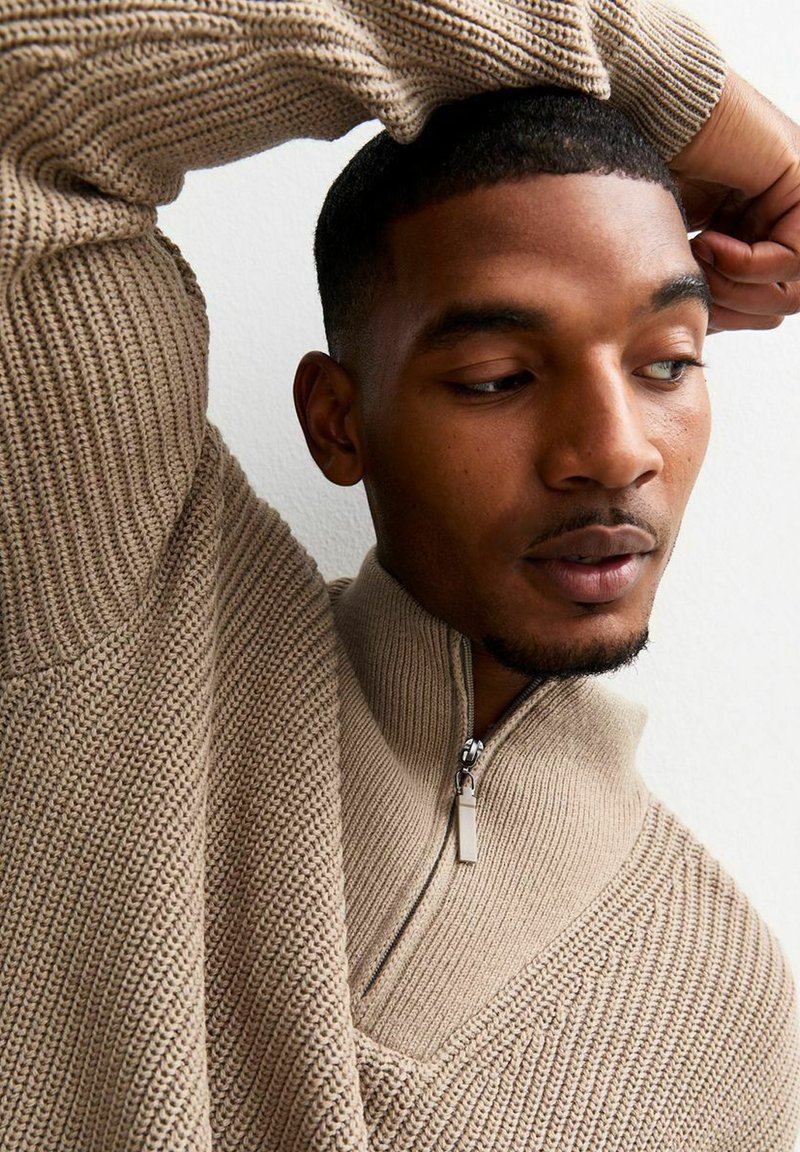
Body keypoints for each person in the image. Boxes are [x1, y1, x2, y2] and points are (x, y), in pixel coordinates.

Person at [0, 3, 798, 1151]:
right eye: (495, 377)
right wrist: (667, 82)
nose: (615, 450)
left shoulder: (721, 1006)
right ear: (337, 421)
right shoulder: (125, 610)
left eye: (666, 364)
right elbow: (22, 91)